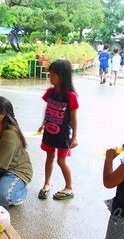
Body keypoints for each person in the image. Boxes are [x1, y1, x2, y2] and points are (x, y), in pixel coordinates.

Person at [37, 60, 79, 200]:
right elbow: (48, 109)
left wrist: (75, 137)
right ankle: (47, 183)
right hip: (49, 131)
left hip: (63, 134)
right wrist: (43, 124)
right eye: (50, 73)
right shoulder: (50, 92)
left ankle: (69, 187)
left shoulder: (71, 95)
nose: (51, 77)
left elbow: (74, 118)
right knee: (49, 158)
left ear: (63, 76)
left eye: (53, 74)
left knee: (61, 161)